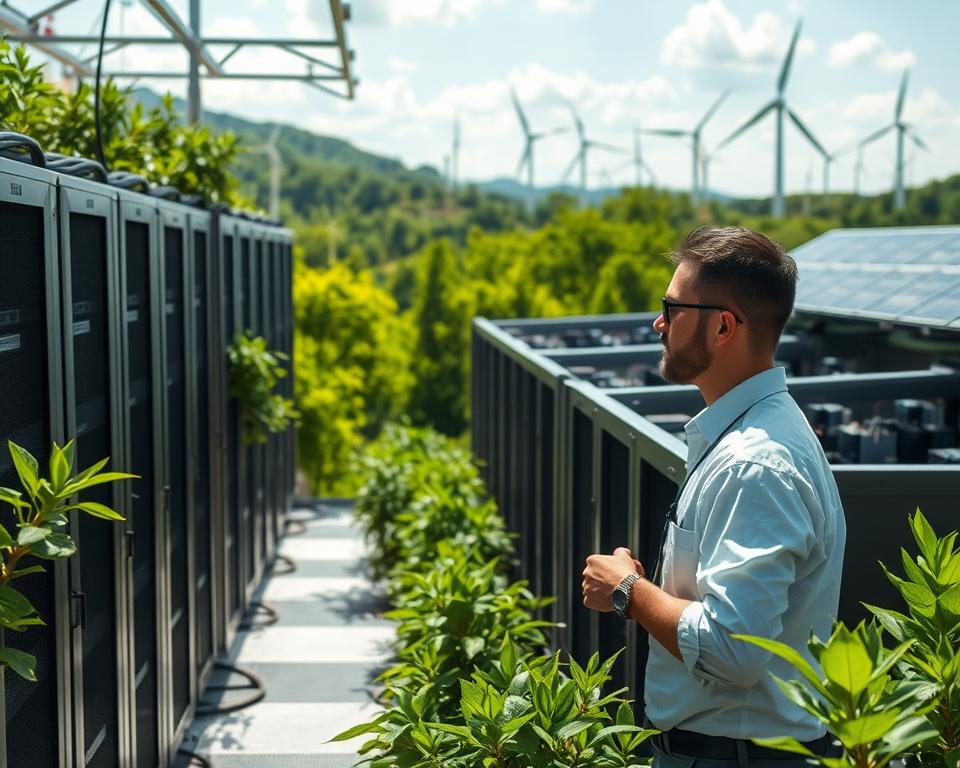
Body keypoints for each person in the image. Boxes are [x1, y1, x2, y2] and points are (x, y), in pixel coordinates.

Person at [581, 226, 846, 768]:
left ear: (723, 325)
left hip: (734, 758)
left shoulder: (753, 464)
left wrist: (627, 590)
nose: (658, 323)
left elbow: (735, 649)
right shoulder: (758, 435)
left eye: (672, 307)